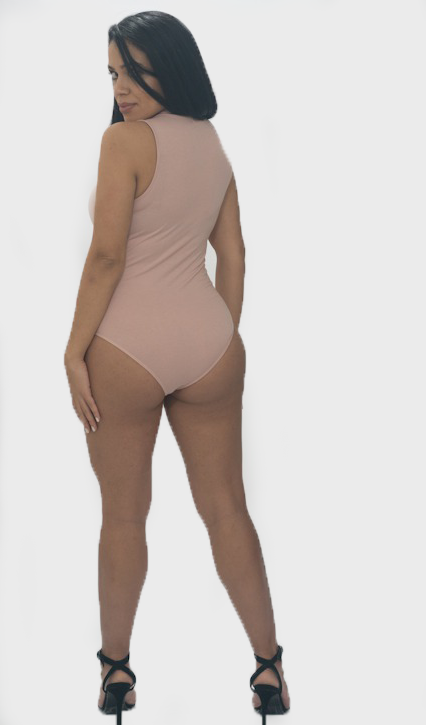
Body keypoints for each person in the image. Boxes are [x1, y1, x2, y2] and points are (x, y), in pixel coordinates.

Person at [64, 10, 290, 723]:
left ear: (173, 64)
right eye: (112, 73)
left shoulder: (123, 143)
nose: (122, 88)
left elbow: (106, 257)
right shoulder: (213, 143)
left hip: (124, 350)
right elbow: (235, 252)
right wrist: (220, 332)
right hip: (210, 348)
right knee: (228, 510)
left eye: (135, 70)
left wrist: (72, 350)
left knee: (123, 517)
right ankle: (269, 667)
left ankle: (117, 672)